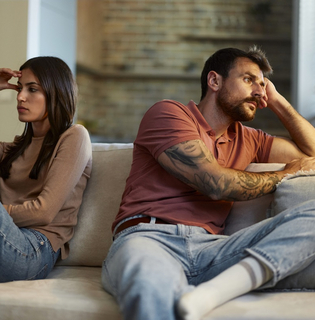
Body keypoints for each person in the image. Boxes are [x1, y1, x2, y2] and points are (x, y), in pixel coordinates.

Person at [101, 47, 315, 320]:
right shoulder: (169, 113)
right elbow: (215, 183)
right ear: (214, 81)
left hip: (213, 249)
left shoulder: (251, 139)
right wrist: (285, 174)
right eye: (249, 80)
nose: (259, 91)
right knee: (150, 285)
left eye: (263, 85)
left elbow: (313, 153)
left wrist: (277, 101)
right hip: (149, 239)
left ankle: (212, 293)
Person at [0, 57, 92, 282]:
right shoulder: (14, 148)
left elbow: (43, 212)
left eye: (32, 89)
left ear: (56, 92)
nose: (20, 96)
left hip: (32, 250)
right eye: (20, 88)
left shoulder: (74, 137)